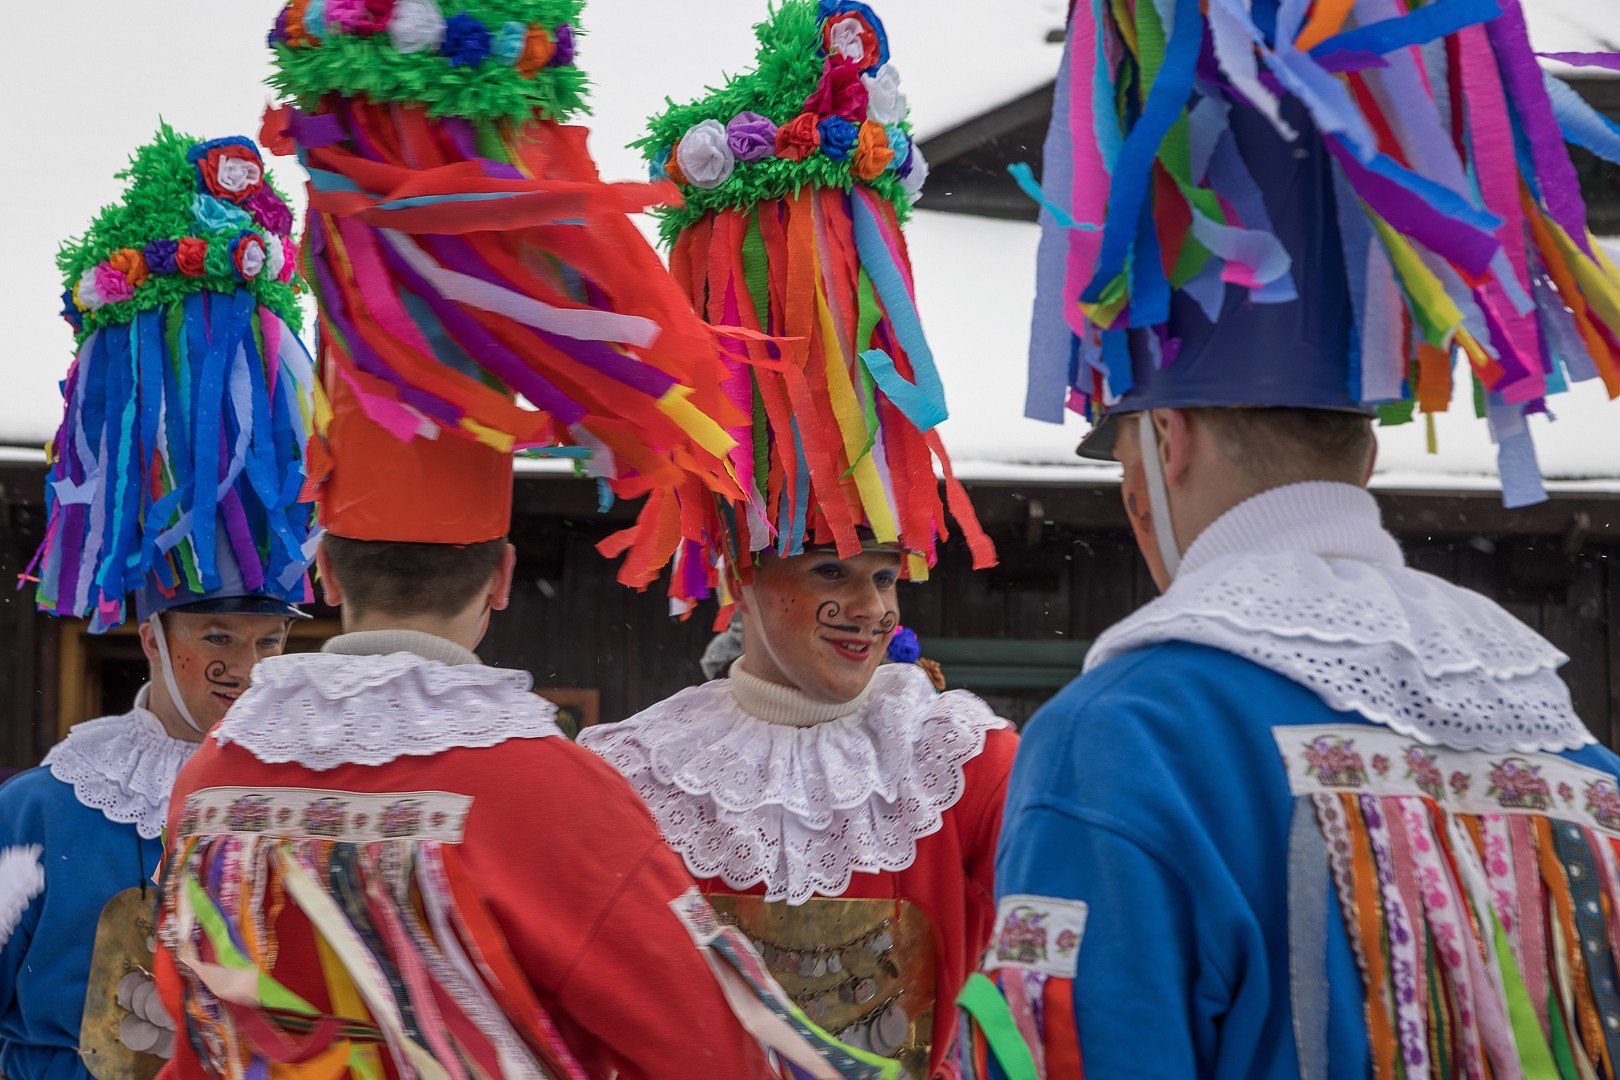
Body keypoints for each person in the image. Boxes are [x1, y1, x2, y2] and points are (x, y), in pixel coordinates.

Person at [153, 5, 895, 1078]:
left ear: (322, 567)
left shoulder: (213, 778)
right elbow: (712, 1050)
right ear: (502, 577)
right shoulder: (544, 789)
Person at [959, 0, 1620, 1076]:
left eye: (1125, 459)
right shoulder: (1565, 741)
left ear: (1165, 441)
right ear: (1367, 453)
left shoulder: (1126, 738)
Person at [581, 4, 1014, 1074]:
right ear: (741, 571)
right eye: (829, 569)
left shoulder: (959, 762)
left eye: (884, 573)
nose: (870, 607)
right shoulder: (631, 776)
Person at [0, 127, 318, 1080]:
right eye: (218, 634)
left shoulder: (310, 805)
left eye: (269, 641)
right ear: (149, 635)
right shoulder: (37, 813)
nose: (245, 668)